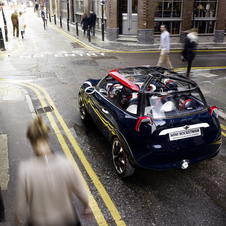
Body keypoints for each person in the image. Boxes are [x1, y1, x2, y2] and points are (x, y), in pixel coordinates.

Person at [15, 115, 91, 226]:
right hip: (67, 220)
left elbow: (21, 205)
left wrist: (18, 218)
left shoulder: (25, 170)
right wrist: (86, 206)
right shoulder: (65, 164)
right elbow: (82, 192)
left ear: (31, 140)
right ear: (47, 136)